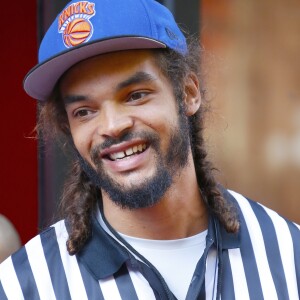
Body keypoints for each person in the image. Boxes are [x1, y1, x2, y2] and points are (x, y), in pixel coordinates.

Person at [0, 0, 299, 299]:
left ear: (189, 93)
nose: (113, 126)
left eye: (135, 95)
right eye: (84, 111)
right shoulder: (22, 286)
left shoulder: (289, 254)